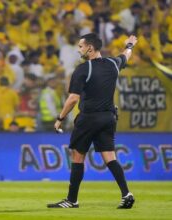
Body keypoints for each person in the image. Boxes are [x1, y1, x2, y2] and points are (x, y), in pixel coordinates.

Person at [47, 33, 137, 209]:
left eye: (81, 46)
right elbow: (125, 56)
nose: (78, 49)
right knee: (109, 156)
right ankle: (126, 194)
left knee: (78, 156)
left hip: (89, 118)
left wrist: (60, 118)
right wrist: (130, 45)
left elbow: (73, 98)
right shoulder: (113, 64)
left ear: (90, 48)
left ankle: (72, 200)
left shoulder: (83, 69)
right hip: (108, 118)